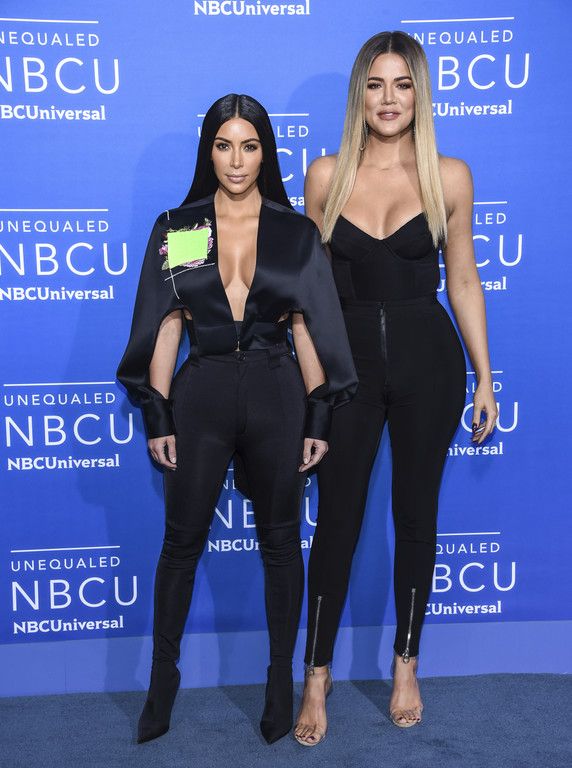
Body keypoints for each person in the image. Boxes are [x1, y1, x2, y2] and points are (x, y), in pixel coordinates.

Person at [117, 93, 357, 745]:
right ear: (208, 151)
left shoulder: (293, 231)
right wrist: (157, 412)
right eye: (223, 146)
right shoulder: (180, 226)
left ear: (266, 153)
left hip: (278, 392)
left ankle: (280, 684)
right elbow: (167, 324)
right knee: (180, 543)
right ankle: (161, 682)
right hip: (202, 394)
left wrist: (319, 414)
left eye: (249, 146)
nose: (236, 160)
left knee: (281, 543)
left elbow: (307, 326)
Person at [294, 31, 497, 746]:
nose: (389, 99)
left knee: (417, 517)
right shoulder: (326, 176)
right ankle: (316, 674)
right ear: (360, 94)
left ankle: (406, 663)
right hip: (346, 371)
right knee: (338, 522)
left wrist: (485, 376)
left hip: (429, 365)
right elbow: (305, 295)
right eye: (376, 84)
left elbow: (463, 279)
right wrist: (313, 386)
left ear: (419, 93)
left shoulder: (450, 176)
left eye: (402, 84)